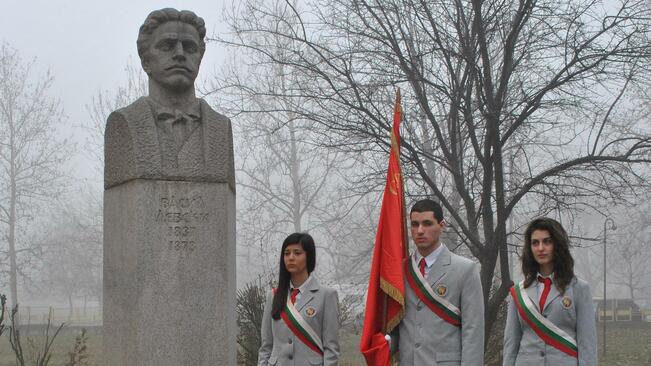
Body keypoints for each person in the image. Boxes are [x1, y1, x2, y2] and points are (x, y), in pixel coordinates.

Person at [104, 8, 234, 190]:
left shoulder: (219, 128)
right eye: (167, 46)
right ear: (146, 61)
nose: (180, 54)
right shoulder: (124, 123)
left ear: (200, 58)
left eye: (190, 47)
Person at [391, 199, 484, 365]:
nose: (420, 230)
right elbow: (395, 325)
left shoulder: (466, 269)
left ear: (442, 226)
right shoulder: (400, 271)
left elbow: (473, 331)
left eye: (427, 223)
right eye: (415, 224)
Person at [503, 217, 597, 365]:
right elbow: (511, 344)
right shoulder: (518, 292)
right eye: (535, 243)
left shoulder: (579, 288)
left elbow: (588, 345)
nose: (541, 248)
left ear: (557, 245)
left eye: (547, 241)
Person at [258, 233, 340, 366]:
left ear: (309, 256)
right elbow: (266, 346)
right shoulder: (273, 296)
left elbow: (331, 349)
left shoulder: (326, 296)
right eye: (286, 253)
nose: (290, 258)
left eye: (297, 253)